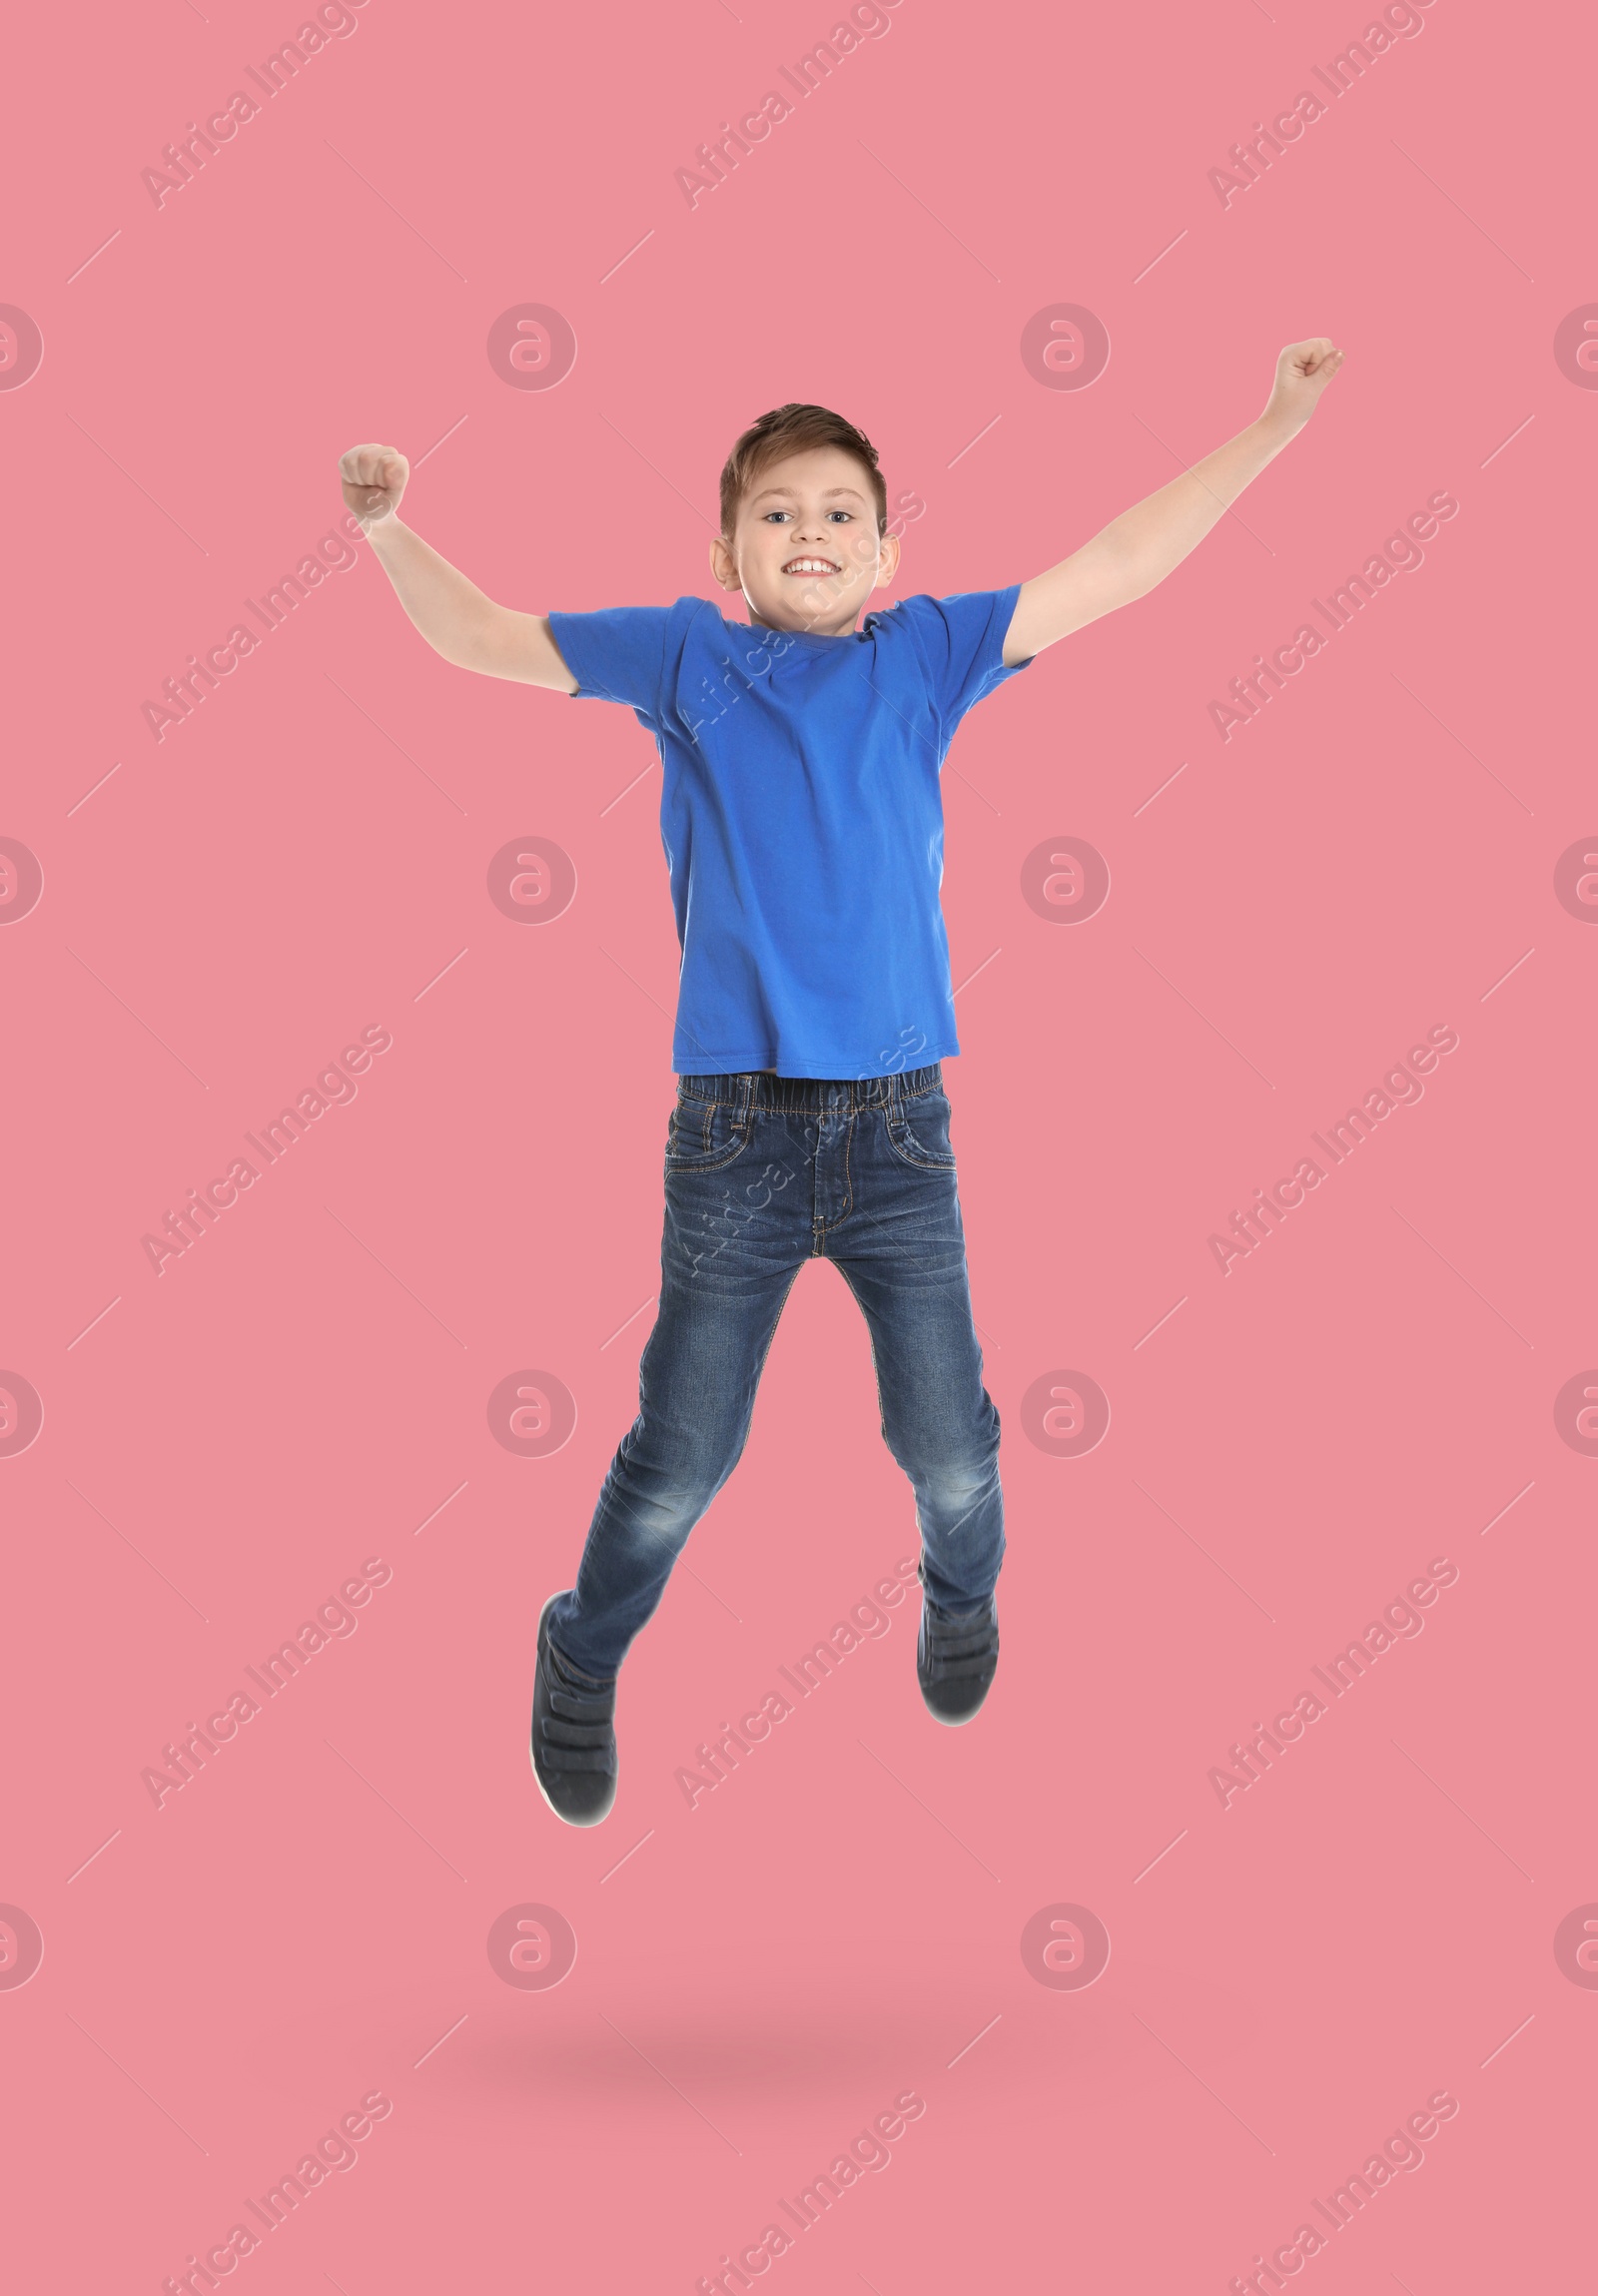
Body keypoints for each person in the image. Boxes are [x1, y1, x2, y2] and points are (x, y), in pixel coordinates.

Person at [339, 340, 1344, 1825]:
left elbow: (1122, 560)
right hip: (734, 1138)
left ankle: (960, 1599)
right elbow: (482, 637)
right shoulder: (687, 658)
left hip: (896, 1134)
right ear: (725, 551)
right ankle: (582, 1646)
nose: (809, 534)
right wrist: (385, 532)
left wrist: (1273, 422)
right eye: (777, 514)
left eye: (839, 513)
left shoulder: (928, 655)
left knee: (947, 1442)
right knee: (683, 1454)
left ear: (886, 547)